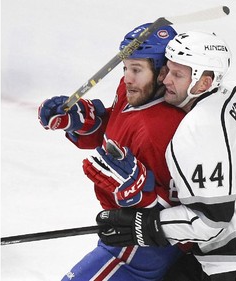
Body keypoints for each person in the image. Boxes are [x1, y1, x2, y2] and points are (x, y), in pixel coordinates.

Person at [93, 31, 236, 281]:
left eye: (178, 75)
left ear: (204, 82)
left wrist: (145, 225)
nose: (166, 81)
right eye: (168, 70)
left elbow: (209, 222)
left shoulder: (197, 129)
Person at [38, 23, 193, 281]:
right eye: (125, 68)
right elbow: (116, 130)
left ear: (162, 72)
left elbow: (184, 213)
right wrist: (82, 121)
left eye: (136, 69)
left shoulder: (160, 131)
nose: (127, 77)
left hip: (141, 249)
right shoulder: (133, 90)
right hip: (121, 231)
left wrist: (143, 196)